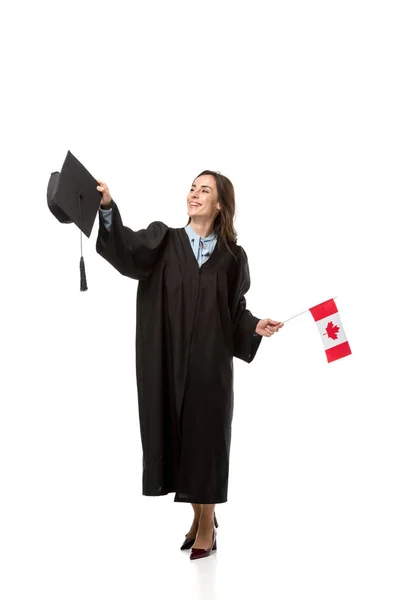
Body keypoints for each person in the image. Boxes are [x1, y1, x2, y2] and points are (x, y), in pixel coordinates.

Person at [95, 170, 284, 560]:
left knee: (207, 442)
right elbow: (125, 248)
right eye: (192, 188)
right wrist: (107, 208)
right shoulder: (164, 241)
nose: (194, 194)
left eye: (205, 190)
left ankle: (204, 525)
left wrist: (255, 326)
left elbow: (235, 312)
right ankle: (203, 519)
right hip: (167, 358)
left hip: (210, 364)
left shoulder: (233, 257)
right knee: (180, 440)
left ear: (219, 205)